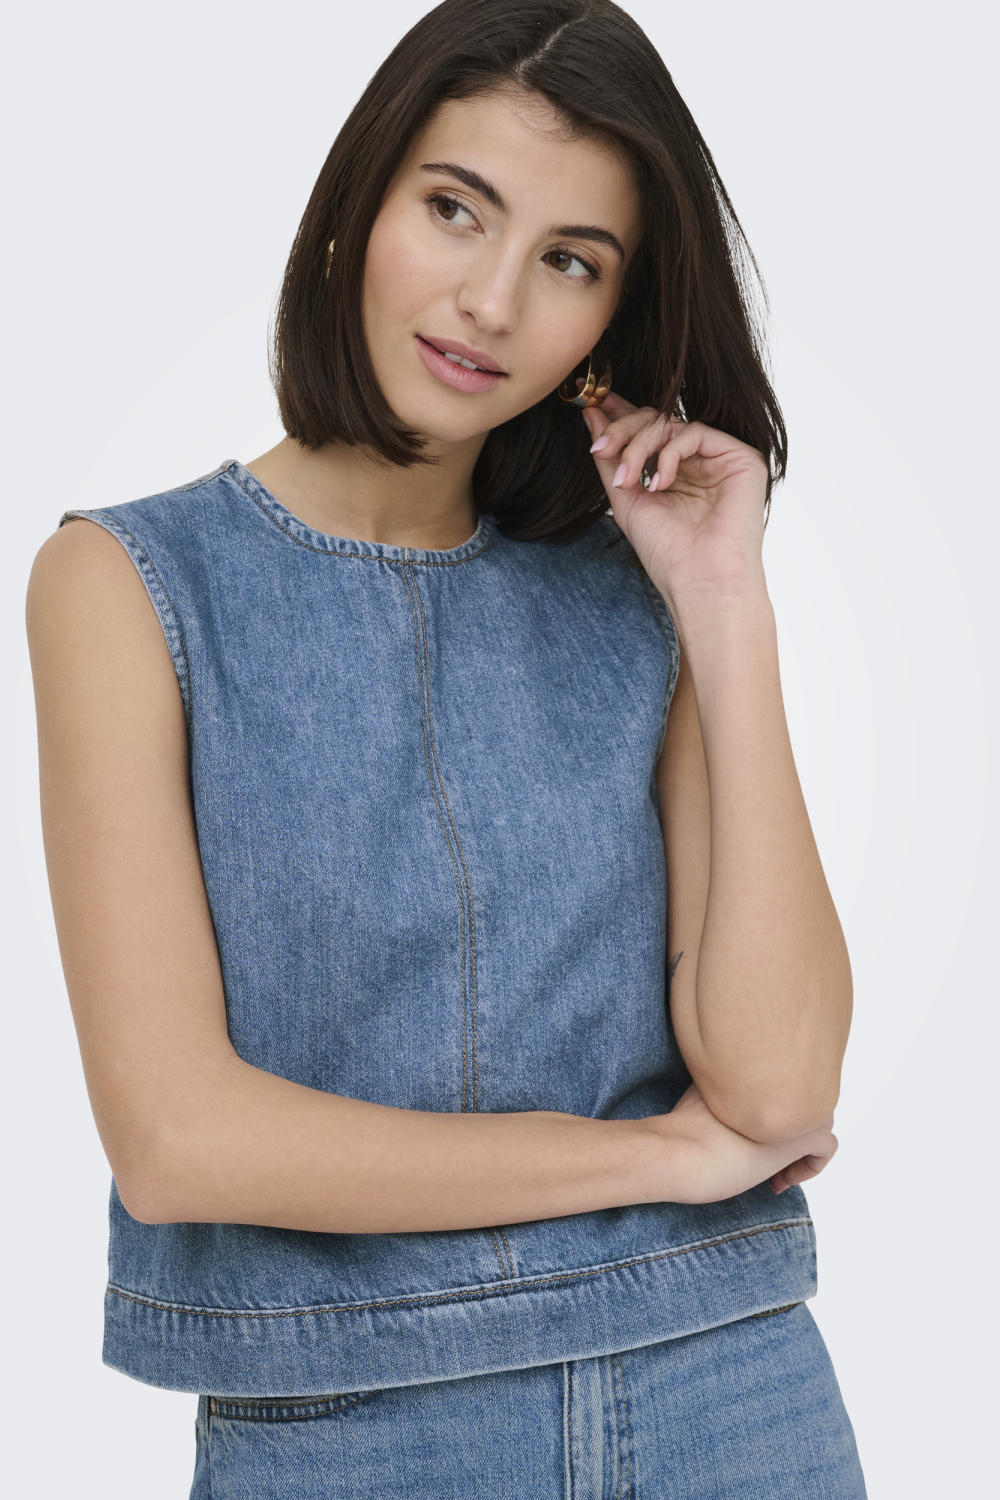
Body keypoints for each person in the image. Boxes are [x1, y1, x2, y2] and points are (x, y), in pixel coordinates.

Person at [26, 1, 867, 1493]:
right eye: (456, 209)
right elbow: (176, 1137)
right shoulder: (130, 585)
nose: (490, 301)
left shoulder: (637, 595)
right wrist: (655, 1161)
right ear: (361, 207)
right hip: (355, 1425)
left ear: (611, 317)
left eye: (569, 260)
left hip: (729, 1395)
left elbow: (782, 1087)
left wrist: (724, 601)